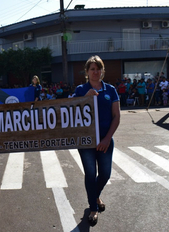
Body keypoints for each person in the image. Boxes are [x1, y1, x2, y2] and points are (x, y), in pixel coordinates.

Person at [72, 55, 120, 226]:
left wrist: (107, 139)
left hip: (105, 140)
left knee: (105, 174)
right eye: (92, 69)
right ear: (87, 72)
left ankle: (95, 196)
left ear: (102, 71)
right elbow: (70, 111)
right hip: (86, 141)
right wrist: (85, 97)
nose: (95, 72)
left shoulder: (110, 90)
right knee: (90, 174)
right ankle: (93, 208)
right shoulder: (80, 89)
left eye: (98, 68)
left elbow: (116, 116)